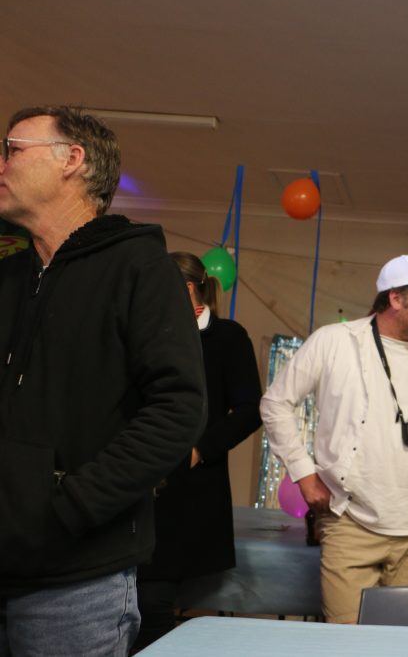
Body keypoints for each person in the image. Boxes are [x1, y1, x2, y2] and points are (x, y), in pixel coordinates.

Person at [0, 106, 206, 656]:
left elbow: (178, 411)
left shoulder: (141, 270)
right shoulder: (9, 277)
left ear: (71, 159)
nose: (2, 164)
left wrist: (70, 508)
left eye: (12, 149)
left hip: (75, 582)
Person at [261, 254, 408, 623]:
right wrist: (304, 473)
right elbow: (276, 403)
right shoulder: (334, 342)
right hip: (349, 525)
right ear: (396, 298)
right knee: (347, 643)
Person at [134, 252, 263, 649]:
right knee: (137, 599)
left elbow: (249, 409)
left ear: (187, 288)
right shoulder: (146, 332)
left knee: (154, 599)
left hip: (190, 490)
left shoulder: (228, 337)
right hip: (138, 478)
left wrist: (199, 451)